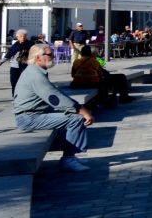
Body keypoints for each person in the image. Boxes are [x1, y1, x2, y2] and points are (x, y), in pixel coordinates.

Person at [14, 43, 95, 172]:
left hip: (35, 113)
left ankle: (71, 154)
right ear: (37, 57)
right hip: (29, 117)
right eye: (49, 54)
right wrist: (80, 110)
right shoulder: (35, 75)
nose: (52, 56)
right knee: (75, 119)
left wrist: (79, 107)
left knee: (73, 116)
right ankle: (68, 159)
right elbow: (55, 98)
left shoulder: (35, 71)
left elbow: (56, 94)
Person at [0, 30, 33, 95]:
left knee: (24, 82)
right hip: (14, 66)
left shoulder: (30, 44)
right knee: (13, 81)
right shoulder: (15, 45)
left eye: (24, 36)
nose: (23, 38)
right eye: (21, 36)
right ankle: (14, 95)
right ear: (17, 37)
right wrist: (0, 62)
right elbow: (9, 54)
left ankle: (23, 95)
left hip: (25, 66)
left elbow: (35, 52)